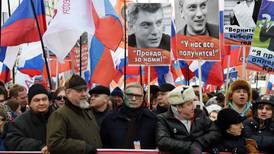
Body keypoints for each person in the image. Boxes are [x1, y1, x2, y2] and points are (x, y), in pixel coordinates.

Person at [156, 86, 221, 154]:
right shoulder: (163, 119)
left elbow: (215, 132)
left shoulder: (200, 114)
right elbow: (162, 141)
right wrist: (190, 147)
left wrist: (199, 143)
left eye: (193, 102)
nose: (193, 106)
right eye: (189, 104)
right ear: (179, 107)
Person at [47, 75, 102, 154]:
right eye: (79, 91)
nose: (84, 94)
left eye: (85, 90)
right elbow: (54, 143)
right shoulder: (60, 114)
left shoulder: (88, 112)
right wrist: (83, 147)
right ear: (68, 92)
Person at [100, 83, 157, 149]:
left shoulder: (152, 119)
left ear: (143, 98)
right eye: (130, 95)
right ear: (124, 96)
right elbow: (105, 145)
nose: (133, 99)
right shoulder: (109, 119)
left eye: (138, 96)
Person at [4, 84, 53, 153]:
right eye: (37, 100)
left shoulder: (59, 117)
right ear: (29, 103)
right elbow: (13, 141)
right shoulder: (19, 122)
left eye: (44, 99)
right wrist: (40, 146)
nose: (41, 103)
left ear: (49, 101)